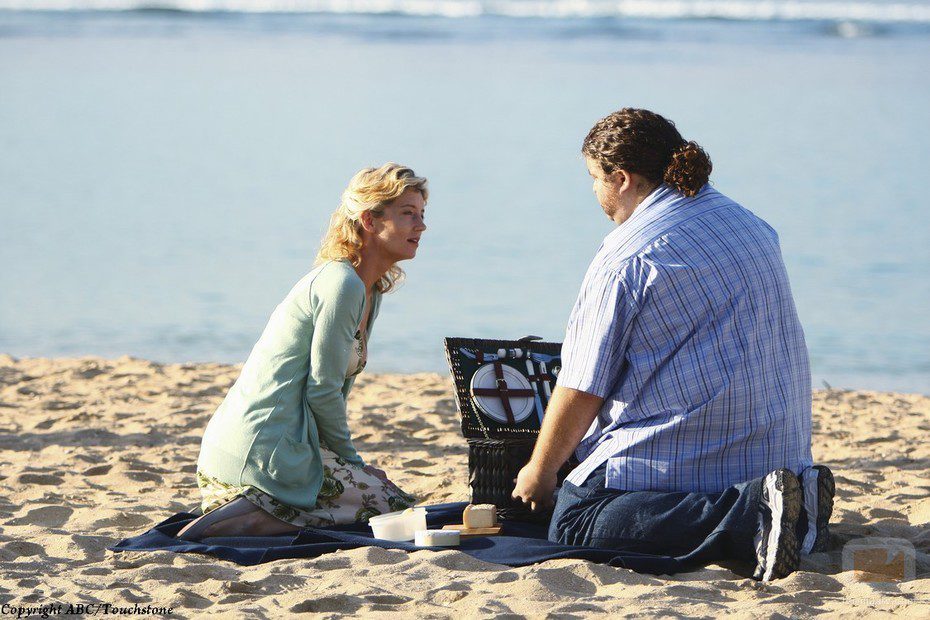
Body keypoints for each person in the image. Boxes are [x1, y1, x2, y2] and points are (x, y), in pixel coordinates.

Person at [511, 109, 835, 581]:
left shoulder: (627, 258)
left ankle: (749, 516)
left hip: (689, 457)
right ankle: (790, 501)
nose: (594, 193)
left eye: (594, 179)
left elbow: (582, 385)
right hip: (777, 451)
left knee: (575, 521)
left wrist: (540, 471)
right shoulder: (749, 223)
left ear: (621, 178)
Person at [177, 163, 428, 540]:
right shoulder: (341, 284)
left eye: (422, 215)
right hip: (259, 450)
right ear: (370, 221)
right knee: (391, 510)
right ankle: (255, 516)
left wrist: (346, 465)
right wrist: (352, 462)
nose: (420, 226)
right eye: (408, 214)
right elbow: (323, 390)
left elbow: (330, 393)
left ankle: (266, 511)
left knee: (393, 507)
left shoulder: (369, 291)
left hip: (289, 445)